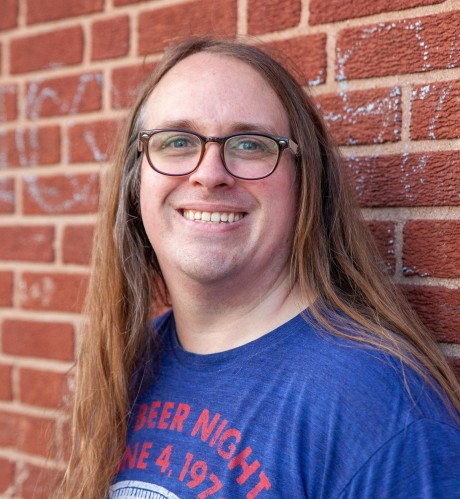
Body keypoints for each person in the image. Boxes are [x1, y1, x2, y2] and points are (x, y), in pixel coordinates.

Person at [60, 38, 460, 498]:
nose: (209, 173)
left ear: (305, 183)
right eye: (176, 141)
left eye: (250, 143)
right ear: (136, 180)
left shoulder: (376, 409)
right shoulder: (133, 362)